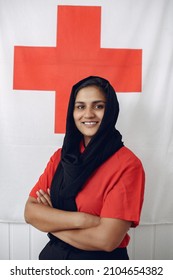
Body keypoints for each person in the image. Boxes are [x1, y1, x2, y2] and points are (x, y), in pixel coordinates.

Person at [24, 76, 145, 260]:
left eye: (98, 106)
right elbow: (30, 212)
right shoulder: (60, 157)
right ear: (72, 112)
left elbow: (107, 240)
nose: (88, 114)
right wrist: (83, 220)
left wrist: (50, 222)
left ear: (111, 110)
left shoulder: (127, 165)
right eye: (80, 106)